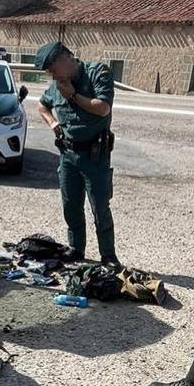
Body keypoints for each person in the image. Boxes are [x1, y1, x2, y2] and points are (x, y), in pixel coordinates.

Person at [35, 41, 120, 265]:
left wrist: (72, 95)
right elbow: (42, 106)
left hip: (95, 156)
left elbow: (103, 108)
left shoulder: (97, 73)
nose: (52, 76)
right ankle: (76, 249)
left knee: (100, 207)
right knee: (71, 205)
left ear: (65, 58)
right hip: (68, 155)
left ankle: (108, 255)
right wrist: (53, 123)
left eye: (52, 69)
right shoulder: (57, 85)